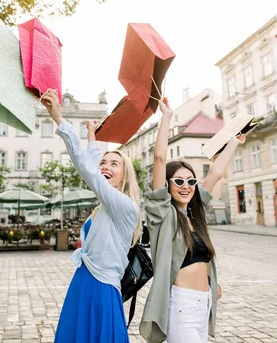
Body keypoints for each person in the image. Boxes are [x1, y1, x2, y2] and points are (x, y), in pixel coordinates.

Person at [140, 97, 245, 343]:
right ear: (167, 185)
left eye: (191, 181)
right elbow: (158, 159)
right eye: (178, 181)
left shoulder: (195, 214)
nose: (186, 186)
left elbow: (216, 173)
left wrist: (234, 142)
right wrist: (166, 117)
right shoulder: (162, 215)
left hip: (203, 302)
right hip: (181, 304)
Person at [41, 89, 141, 343]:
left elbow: (90, 172)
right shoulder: (104, 205)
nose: (106, 166)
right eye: (104, 162)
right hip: (83, 282)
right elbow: (93, 168)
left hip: (102, 288)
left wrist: (59, 120)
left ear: (125, 175)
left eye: (114, 164)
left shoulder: (125, 206)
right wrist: (92, 137)